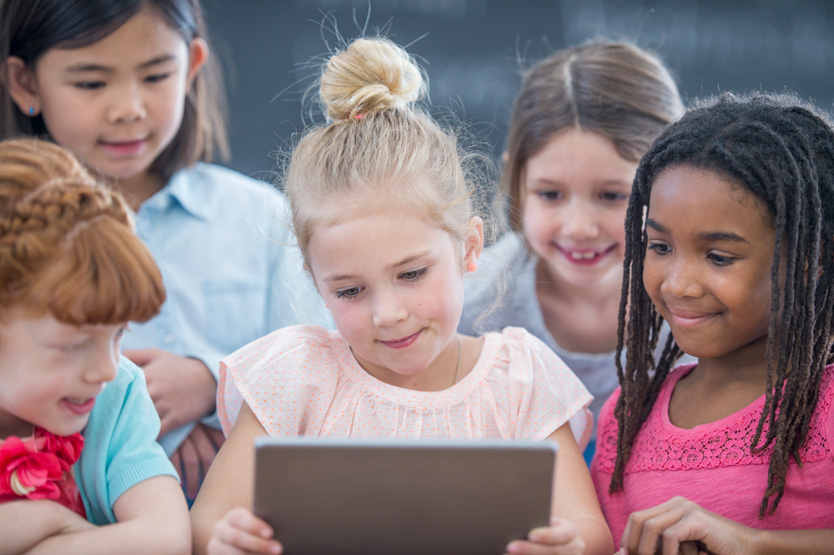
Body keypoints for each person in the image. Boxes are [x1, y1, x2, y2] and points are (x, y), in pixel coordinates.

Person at [189, 37, 614, 555]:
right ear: (314, 279)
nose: (387, 314)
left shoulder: (520, 379)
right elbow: (208, 519)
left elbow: (589, 530)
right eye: (349, 289)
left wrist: (568, 545)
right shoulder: (296, 377)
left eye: (412, 274)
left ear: (470, 247)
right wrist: (224, 538)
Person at [0, 0, 327, 497]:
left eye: (155, 76)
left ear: (192, 65)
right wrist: (136, 422)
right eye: (91, 83)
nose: (129, 108)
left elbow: (328, 365)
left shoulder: (261, 217)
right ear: (26, 83)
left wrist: (214, 384)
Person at [590, 92, 834, 553]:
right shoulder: (626, 417)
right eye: (660, 247)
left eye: (719, 257)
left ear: (810, 260)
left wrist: (754, 544)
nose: (678, 284)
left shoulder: (827, 405)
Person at [458, 41, 685, 462]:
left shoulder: (703, 303)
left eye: (613, 195)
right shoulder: (471, 305)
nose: (579, 227)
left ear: (676, 182)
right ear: (517, 180)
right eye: (550, 194)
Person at [0, 138, 190, 554]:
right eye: (74, 345)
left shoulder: (115, 396)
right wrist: (58, 526)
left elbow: (166, 538)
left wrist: (49, 530)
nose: (106, 368)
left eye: (119, 333)